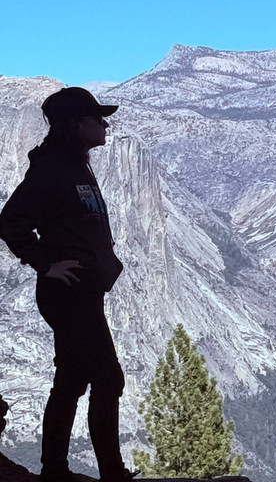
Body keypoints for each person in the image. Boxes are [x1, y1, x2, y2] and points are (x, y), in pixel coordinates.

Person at [0, 87, 136, 482]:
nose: (105, 123)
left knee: (72, 379)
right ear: (77, 125)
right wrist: (45, 264)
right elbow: (11, 221)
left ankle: (55, 470)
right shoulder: (52, 169)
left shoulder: (77, 166)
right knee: (109, 378)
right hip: (68, 293)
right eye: (97, 118)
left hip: (85, 292)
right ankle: (112, 472)